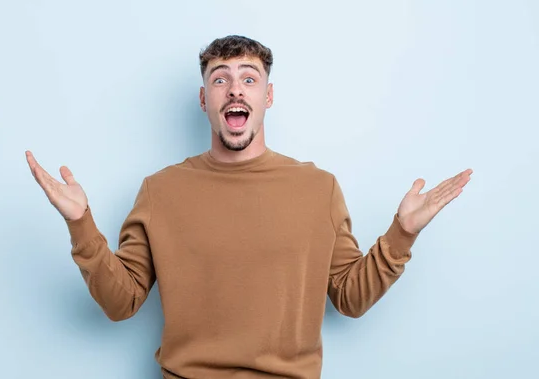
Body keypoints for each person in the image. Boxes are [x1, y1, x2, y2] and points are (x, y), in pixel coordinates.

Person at [25, 35, 472, 379]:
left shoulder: (318, 188)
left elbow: (349, 298)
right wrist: (81, 224)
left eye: (248, 78)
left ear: (267, 97)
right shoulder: (159, 191)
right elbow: (121, 303)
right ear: (205, 100)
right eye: (220, 78)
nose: (234, 90)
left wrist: (402, 234)